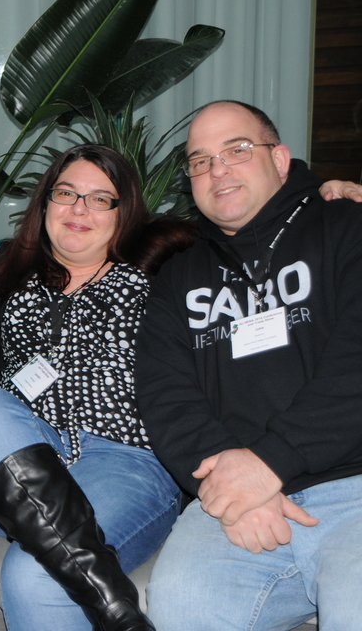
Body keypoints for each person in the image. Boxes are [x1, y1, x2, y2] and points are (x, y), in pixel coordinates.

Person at [135, 100, 362, 630]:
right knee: (182, 604)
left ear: (280, 159)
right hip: (234, 504)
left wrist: (269, 463)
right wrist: (235, 488)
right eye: (200, 161)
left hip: (354, 485)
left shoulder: (347, 225)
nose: (218, 170)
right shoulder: (176, 278)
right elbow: (166, 395)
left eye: (236, 150)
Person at [0, 145, 185, 631]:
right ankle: (117, 608)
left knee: (34, 576)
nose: (79, 209)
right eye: (67, 194)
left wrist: (321, 197)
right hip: (10, 465)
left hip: (125, 461)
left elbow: (253, 240)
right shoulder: (2, 272)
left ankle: (112, 609)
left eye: (99, 199)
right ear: (45, 202)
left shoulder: (163, 272)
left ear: (123, 213)